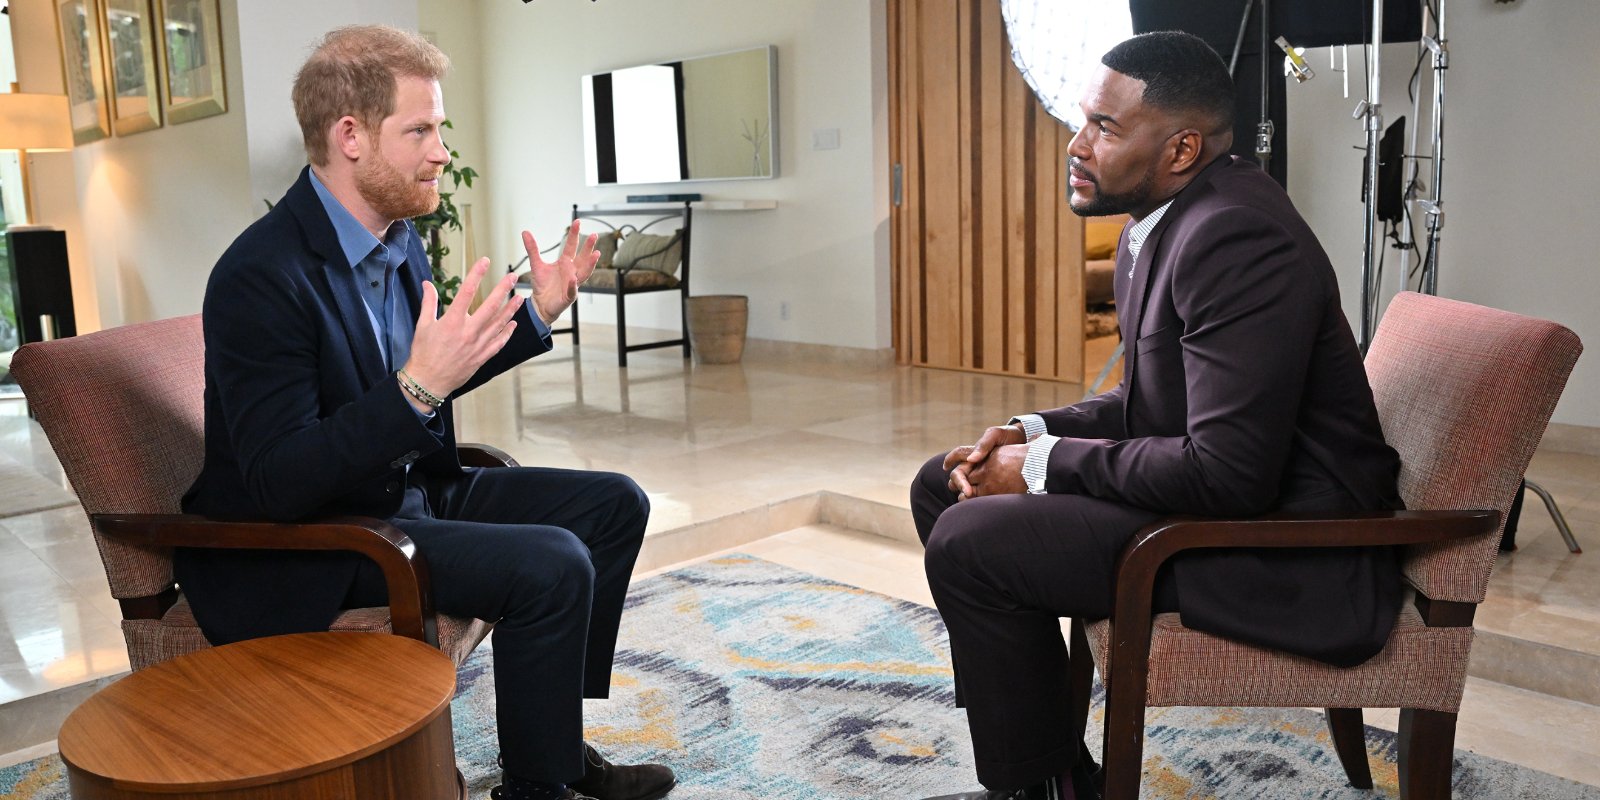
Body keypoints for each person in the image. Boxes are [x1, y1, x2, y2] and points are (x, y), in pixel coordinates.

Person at [179, 25, 675, 800]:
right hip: (317, 536)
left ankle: (556, 749)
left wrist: (535, 315)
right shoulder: (259, 276)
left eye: (438, 129)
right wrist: (415, 389)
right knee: (550, 563)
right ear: (350, 136)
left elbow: (431, 375)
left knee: (613, 505)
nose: (441, 150)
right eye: (421, 130)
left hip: (404, 489)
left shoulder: (399, 240)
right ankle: (538, 790)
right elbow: (278, 481)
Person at [911, 32, 1403, 800]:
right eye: (1085, 121)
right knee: (942, 485)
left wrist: (1039, 469)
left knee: (974, 540)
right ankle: (1045, 762)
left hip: (1285, 547)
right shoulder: (1167, 220)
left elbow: (1229, 473)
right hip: (1231, 509)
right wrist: (1029, 432)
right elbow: (1150, 402)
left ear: (1181, 148)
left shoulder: (1237, 237)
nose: (1076, 146)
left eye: (1103, 128)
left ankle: (1041, 784)